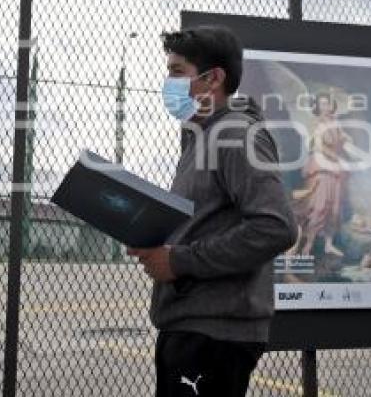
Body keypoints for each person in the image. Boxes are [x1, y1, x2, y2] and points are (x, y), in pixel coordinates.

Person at [127, 25, 297, 397]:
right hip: (192, 328)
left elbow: (277, 227)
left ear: (213, 78)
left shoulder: (237, 134)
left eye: (176, 72)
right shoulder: (200, 136)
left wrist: (179, 261)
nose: (167, 83)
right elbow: (207, 223)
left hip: (214, 334)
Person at [292, 92, 350, 258]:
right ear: (317, 107)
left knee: (335, 207)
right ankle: (308, 246)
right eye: (322, 104)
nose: (326, 107)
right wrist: (336, 157)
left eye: (328, 103)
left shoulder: (336, 123)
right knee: (320, 206)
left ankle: (328, 244)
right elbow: (319, 147)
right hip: (322, 165)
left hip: (336, 167)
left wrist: (345, 139)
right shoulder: (317, 124)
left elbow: (342, 140)